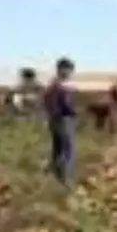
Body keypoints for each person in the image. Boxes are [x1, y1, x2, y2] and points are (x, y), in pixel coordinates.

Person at [44, 57, 77, 185]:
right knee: (68, 149)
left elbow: (46, 102)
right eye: (69, 70)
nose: (70, 73)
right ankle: (66, 179)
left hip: (53, 120)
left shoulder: (51, 85)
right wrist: (74, 112)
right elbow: (67, 105)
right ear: (63, 70)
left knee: (57, 148)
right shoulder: (63, 86)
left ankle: (55, 175)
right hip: (64, 120)